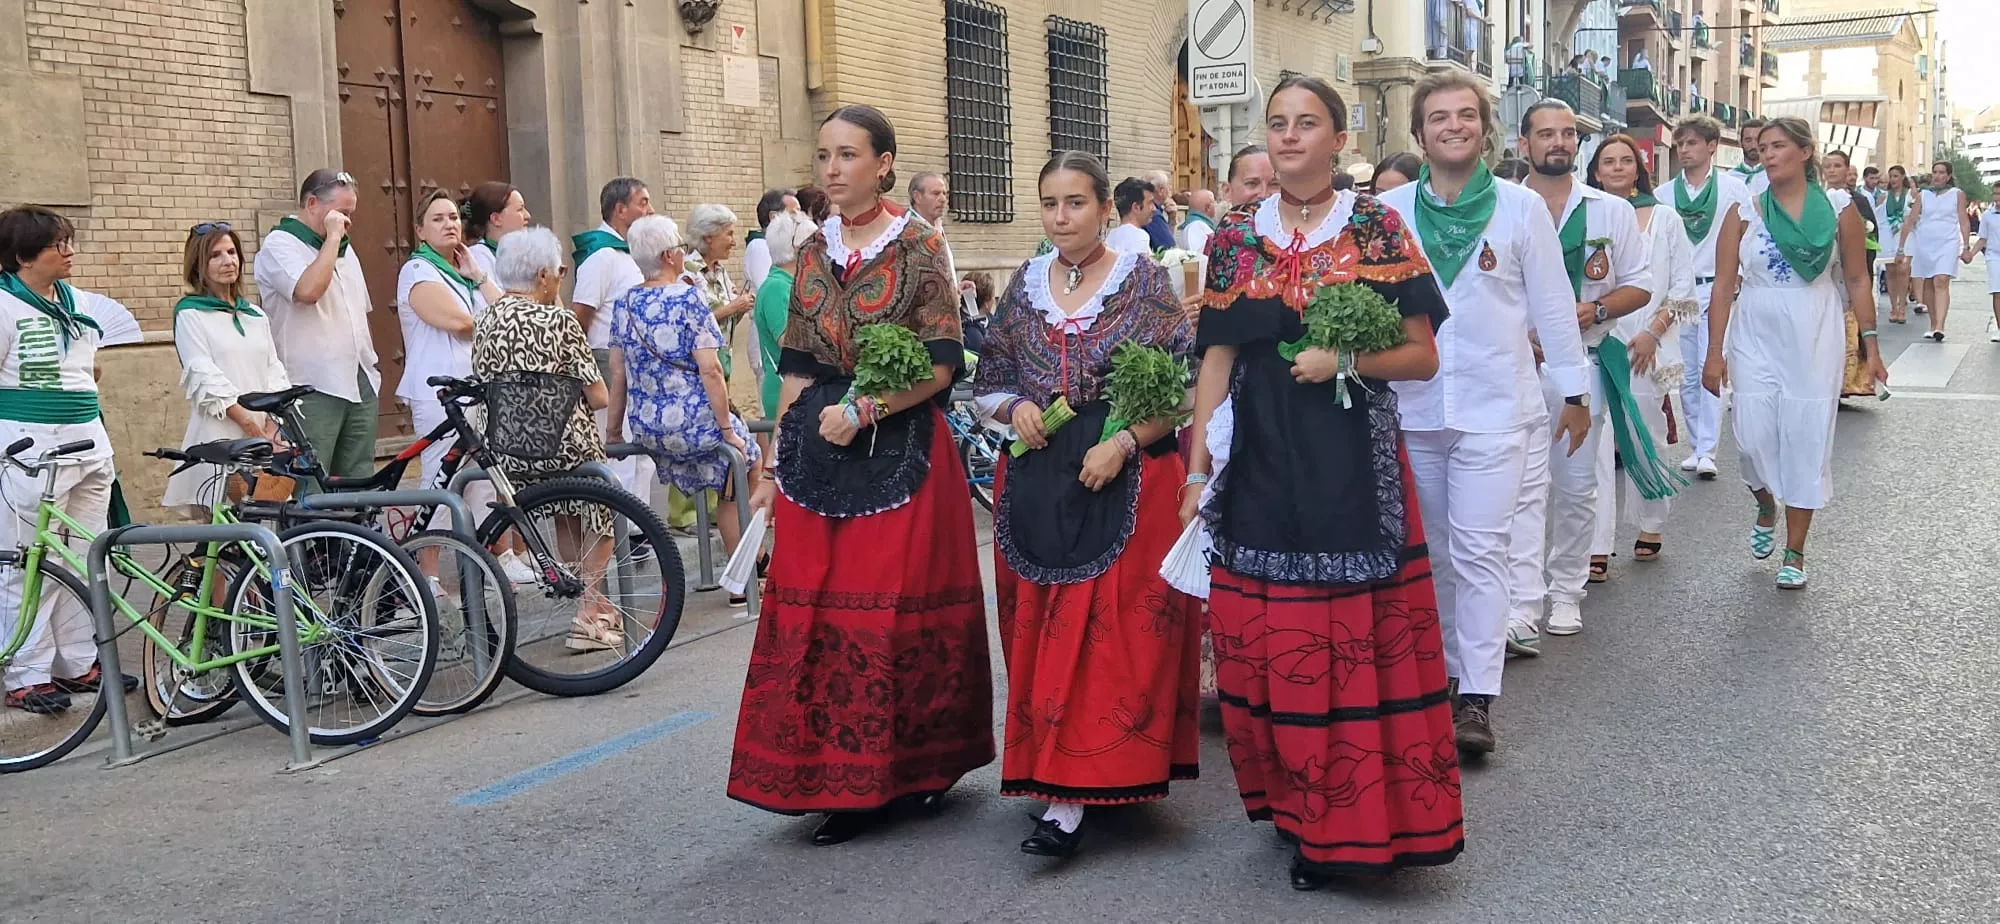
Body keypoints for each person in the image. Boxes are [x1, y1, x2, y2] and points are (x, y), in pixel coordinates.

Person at [1185, 74, 1461, 886]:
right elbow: (1217, 359)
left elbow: (1422, 356)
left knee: (1346, 647)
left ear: (1339, 140)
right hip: (1260, 461)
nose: (1290, 136)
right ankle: (1292, 806)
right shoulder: (1234, 235)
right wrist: (1197, 469)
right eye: (1278, 124)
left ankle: (1349, 828)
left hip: (1352, 464)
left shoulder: (1376, 226)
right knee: (1266, 647)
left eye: (1308, 124)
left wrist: (1343, 359)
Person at [729, 104, 993, 846]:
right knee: (818, 608)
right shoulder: (814, 252)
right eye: (824, 156)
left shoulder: (918, 246)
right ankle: (833, 776)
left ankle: (917, 770)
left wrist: (870, 406)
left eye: (848, 155)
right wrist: (772, 467)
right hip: (820, 452)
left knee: (892, 613)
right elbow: (799, 368)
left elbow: (943, 364)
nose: (833, 168)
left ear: (883, 164)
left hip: (902, 449)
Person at [973, 150, 1199, 859]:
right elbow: (991, 378)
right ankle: (1058, 776)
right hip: (1039, 479)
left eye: (1075, 202)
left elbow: (1183, 386)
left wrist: (1125, 440)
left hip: (1124, 474)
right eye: (1050, 203)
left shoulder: (1142, 284)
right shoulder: (1025, 286)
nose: (1061, 216)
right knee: (1044, 626)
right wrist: (1015, 408)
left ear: (1107, 208)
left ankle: (1083, 789)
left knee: (1109, 636)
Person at [1378, 70, 1592, 755]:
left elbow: (1555, 307)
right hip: (1413, 407)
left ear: (1485, 127)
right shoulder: (1391, 214)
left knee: (1479, 549)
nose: (1453, 126)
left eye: (1465, 114)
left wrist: (1576, 391)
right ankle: (1440, 672)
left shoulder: (1520, 208)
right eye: (1438, 116)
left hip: (1498, 407)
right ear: (1419, 133)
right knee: (1435, 550)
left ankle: (1476, 694)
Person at [1706, 117, 1885, 589]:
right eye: (1762, 146)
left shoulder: (1838, 207)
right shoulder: (1743, 209)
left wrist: (1870, 344)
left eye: (1778, 145)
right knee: (1750, 437)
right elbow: (1724, 285)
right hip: (1756, 326)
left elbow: (1857, 279)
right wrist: (1713, 352)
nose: (1767, 153)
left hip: (1814, 327)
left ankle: (1796, 551)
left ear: (1805, 152)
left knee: (1806, 436)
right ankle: (1766, 501)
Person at [1508, 100, 1653, 640]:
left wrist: (1596, 310)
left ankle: (1566, 590)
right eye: (1546, 134)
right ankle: (1520, 601)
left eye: (1568, 134)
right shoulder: (1504, 206)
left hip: (1584, 364)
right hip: (1518, 367)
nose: (1559, 143)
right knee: (1518, 488)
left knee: (1574, 485)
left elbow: (1640, 283)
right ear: (1524, 144)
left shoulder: (1610, 211)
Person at [0, 206, 129, 713]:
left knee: (83, 556)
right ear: (21, 256)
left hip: (89, 443)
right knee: (28, 562)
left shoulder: (76, 302)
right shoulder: (4, 305)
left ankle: (76, 661)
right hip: (30, 448)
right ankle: (26, 671)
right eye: (59, 244)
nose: (69, 251)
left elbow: (88, 368)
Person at [472, 228, 620, 646]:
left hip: (507, 451)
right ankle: (590, 609)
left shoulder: (486, 317)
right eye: (558, 271)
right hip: (564, 445)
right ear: (542, 275)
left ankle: (589, 606)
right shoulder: (559, 320)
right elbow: (598, 395)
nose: (561, 277)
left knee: (565, 510)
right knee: (597, 506)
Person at [607, 215, 761, 606]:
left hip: (649, 425)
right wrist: (727, 428)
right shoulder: (688, 296)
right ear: (669, 255)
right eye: (677, 244)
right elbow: (710, 368)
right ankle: (745, 571)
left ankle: (752, 561)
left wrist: (613, 431)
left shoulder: (625, 303)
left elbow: (618, 372)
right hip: (697, 421)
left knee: (729, 471)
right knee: (745, 466)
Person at [1586, 135, 1693, 579]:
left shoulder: (1664, 219)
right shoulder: (1582, 217)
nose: (1615, 168)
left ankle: (1651, 521)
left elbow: (1681, 287)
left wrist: (1652, 333)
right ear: (1594, 170)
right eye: (1607, 161)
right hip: (1595, 341)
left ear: (1638, 168)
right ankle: (1595, 542)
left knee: (1642, 432)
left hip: (1643, 346)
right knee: (1591, 445)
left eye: (1624, 161)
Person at [255, 169, 379, 479]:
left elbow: (359, 313)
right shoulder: (280, 244)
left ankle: (354, 528)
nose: (347, 222)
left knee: (358, 476)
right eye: (341, 213)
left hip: (358, 377)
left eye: (351, 214)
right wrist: (333, 237)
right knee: (312, 479)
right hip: (314, 383)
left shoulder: (343, 250)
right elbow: (308, 291)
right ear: (312, 203)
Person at [165, 221, 292, 514]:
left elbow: (273, 369)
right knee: (223, 527)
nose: (228, 261)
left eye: (232, 252)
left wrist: (272, 425)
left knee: (270, 518)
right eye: (216, 255)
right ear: (199, 264)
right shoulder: (191, 314)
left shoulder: (255, 315)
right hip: (221, 432)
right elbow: (203, 374)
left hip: (264, 434)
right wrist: (247, 423)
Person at [1659, 116, 1753, 481]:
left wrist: (1738, 279)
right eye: (1680, 144)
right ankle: (1696, 444)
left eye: (1692, 143)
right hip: (1681, 290)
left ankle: (1709, 449)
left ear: (1712, 146)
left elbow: (1744, 237)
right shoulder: (1665, 194)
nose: (1684, 150)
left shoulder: (1733, 190)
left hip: (1718, 286)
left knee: (1710, 363)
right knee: (1686, 373)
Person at [396, 190, 503, 495]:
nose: (449, 224)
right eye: (438, 219)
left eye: (454, 217)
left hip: (475, 391)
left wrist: (480, 276)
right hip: (439, 395)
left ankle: (478, 546)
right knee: (442, 486)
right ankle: (427, 544)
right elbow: (459, 324)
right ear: (420, 231)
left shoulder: (464, 273)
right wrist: (500, 325)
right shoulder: (418, 270)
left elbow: (507, 313)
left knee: (481, 490)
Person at [571, 177, 660, 543]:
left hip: (637, 361)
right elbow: (581, 317)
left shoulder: (630, 254)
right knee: (619, 449)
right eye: (643, 202)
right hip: (608, 361)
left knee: (641, 452)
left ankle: (638, 526)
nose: (650, 210)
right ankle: (618, 527)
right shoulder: (601, 256)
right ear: (620, 209)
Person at [1824, 151, 1884, 397]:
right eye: (1827, 166)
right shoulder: (1817, 198)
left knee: (1851, 325)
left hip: (1850, 268)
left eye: (1837, 166)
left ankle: (1850, 378)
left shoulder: (1855, 200)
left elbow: (1869, 233)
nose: (1832, 171)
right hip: (1828, 272)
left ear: (1847, 169)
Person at [1897, 160, 1973, 342]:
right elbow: (1911, 220)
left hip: (1947, 241)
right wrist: (1901, 247)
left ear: (1948, 176)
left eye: (1941, 172)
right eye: (1935, 172)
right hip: (1925, 242)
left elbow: (1963, 220)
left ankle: (1940, 325)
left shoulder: (1957, 194)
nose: (1937, 176)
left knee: (1941, 279)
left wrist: (1966, 245)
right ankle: (1932, 323)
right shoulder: (1924, 195)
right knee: (1929, 282)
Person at [754, 210, 814, 419]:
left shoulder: (791, 285)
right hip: (787, 393)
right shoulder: (777, 288)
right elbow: (791, 344)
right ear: (797, 248)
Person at [462, 182, 533, 280]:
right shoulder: (478, 258)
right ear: (496, 219)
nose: (527, 215)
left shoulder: (525, 254)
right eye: (520, 209)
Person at [908, 173, 961, 288]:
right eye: (936, 193)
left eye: (944, 194)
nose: (943, 199)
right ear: (917, 197)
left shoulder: (937, 226)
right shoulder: (907, 231)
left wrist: (956, 288)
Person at [742, 188, 796, 293]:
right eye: (793, 214)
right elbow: (770, 289)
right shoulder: (760, 246)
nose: (800, 218)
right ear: (774, 217)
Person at [1880, 166, 1914, 323]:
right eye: (1891, 176)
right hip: (1889, 236)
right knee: (1891, 271)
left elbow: (1914, 216)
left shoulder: (1910, 195)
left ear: (1902, 177)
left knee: (1903, 270)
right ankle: (1893, 307)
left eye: (1896, 176)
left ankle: (1902, 306)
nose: (1893, 179)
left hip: (1906, 236)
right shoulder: (1884, 196)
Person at [1106, 177, 1156, 255]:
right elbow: (1139, 266)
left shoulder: (1111, 236)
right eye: (1150, 203)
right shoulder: (1139, 236)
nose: (1154, 209)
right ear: (1136, 207)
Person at [1975, 198, 2000, 342]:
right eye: (1995, 193)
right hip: (1994, 256)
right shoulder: (1987, 215)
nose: (1997, 197)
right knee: (1997, 291)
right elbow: (1982, 238)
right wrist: (1970, 253)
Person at [1143, 170, 1178, 251]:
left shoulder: (1145, 209)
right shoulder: (1153, 214)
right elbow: (1169, 249)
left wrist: (1172, 219)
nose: (1170, 192)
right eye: (1168, 188)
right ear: (1161, 190)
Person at [1734, 118, 1770, 195]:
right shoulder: (1730, 178)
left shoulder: (1774, 177)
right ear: (1740, 143)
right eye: (1748, 140)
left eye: (1757, 140)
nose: (1753, 146)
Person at [1179, 188, 1219, 256]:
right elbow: (1199, 257)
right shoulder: (1196, 226)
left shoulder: (1198, 225)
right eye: (1214, 202)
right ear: (1208, 207)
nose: (1216, 205)